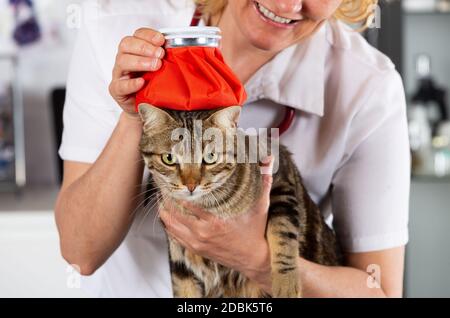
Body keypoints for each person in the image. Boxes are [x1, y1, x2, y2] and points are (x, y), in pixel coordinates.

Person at [55, 0, 410, 297]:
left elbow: (379, 291)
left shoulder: (369, 89)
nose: (286, 5)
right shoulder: (116, 26)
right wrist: (137, 115)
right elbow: (79, 253)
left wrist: (257, 260)